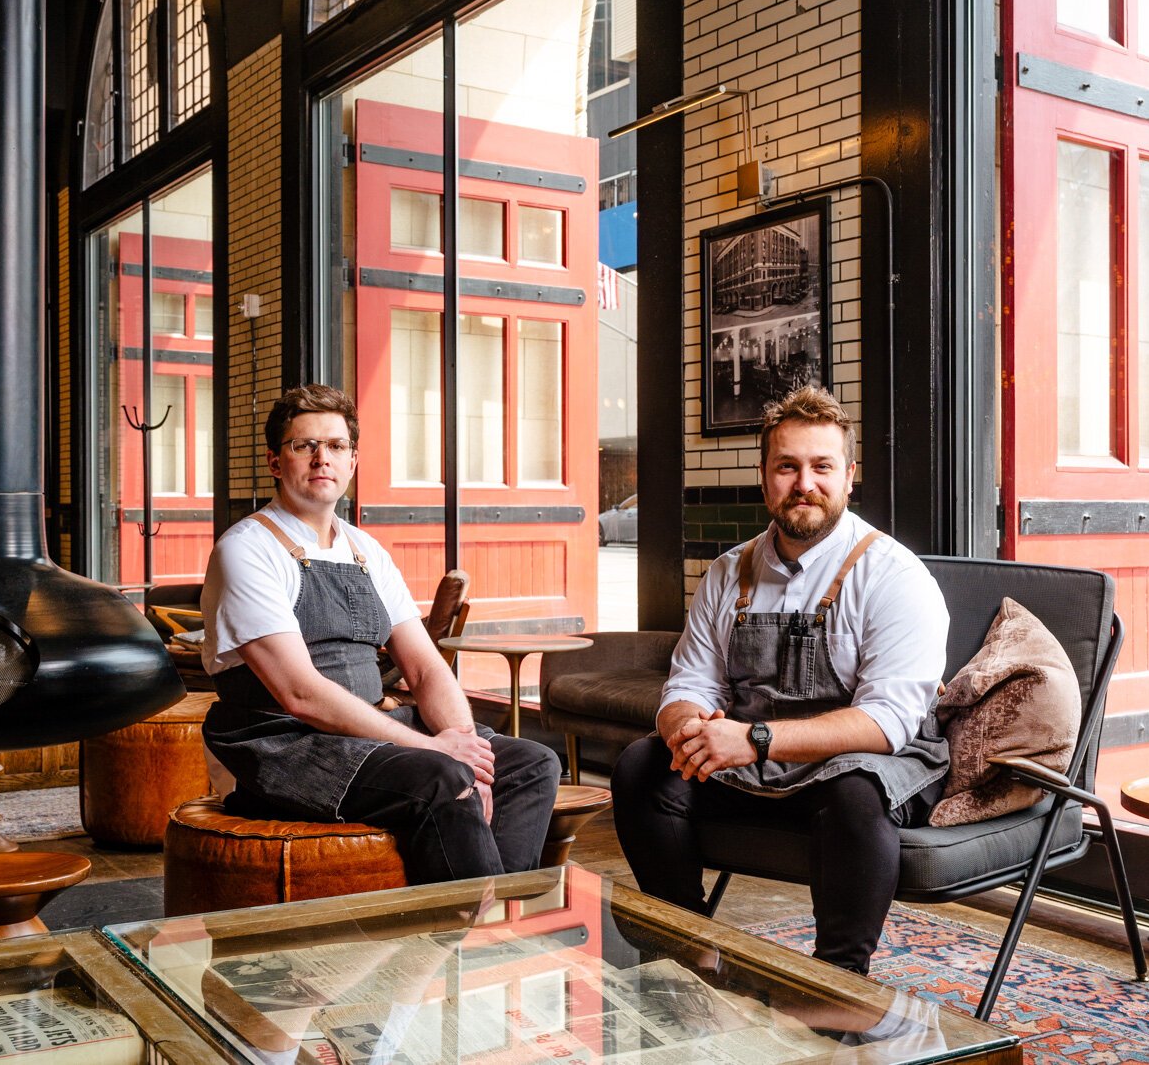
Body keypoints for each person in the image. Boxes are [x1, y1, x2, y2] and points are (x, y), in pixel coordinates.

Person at [612, 385, 949, 973]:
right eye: (787, 467)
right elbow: (688, 683)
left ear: (849, 475)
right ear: (765, 475)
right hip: (751, 758)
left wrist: (753, 740)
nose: (804, 484)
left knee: (855, 792)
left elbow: (887, 721)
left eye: (821, 467)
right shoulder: (728, 571)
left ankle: (839, 984)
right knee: (643, 766)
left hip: (863, 761)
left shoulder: (894, 575)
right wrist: (689, 729)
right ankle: (688, 952)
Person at [200, 384, 559, 885]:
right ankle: (477, 930)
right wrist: (435, 751)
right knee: (443, 775)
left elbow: (426, 667)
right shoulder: (247, 549)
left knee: (532, 763)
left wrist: (458, 740)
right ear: (276, 462)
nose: (322, 458)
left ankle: (494, 917)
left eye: (337, 446)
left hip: (366, 731)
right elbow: (300, 694)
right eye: (304, 446)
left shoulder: (366, 551)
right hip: (285, 745)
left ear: (352, 462)